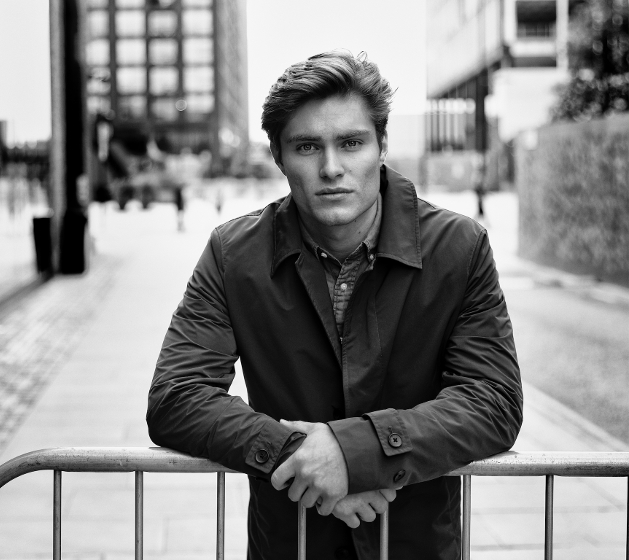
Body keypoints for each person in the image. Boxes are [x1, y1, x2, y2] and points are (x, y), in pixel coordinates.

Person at [147, 51, 522, 560]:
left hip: (415, 547)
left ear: (381, 145)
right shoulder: (234, 254)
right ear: (278, 156)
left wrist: (356, 453)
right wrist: (299, 454)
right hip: (291, 545)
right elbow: (177, 395)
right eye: (306, 146)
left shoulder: (459, 247)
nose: (331, 168)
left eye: (351, 142)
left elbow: (492, 400)